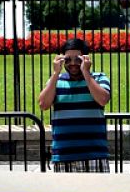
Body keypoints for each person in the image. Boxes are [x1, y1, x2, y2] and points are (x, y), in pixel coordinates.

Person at [37, 36, 111, 171]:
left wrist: (86, 72)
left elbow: (103, 99)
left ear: (85, 58)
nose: (72, 63)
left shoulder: (99, 78)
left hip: (94, 155)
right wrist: (55, 73)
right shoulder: (56, 81)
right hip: (64, 155)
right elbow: (43, 104)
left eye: (78, 59)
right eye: (67, 59)